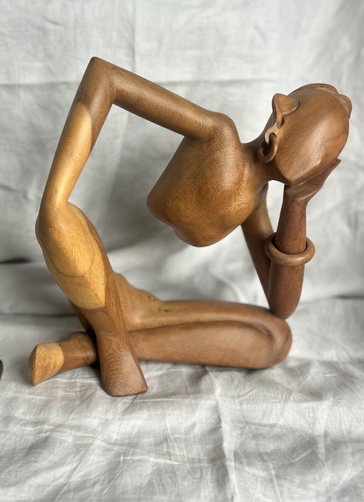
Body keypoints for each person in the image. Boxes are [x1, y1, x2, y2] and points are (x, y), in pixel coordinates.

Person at [31, 57, 351, 396]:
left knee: (276, 337)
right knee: (59, 224)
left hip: (137, 303)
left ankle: (89, 348)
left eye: (323, 159)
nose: (315, 163)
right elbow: (105, 76)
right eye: (315, 148)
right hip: (85, 255)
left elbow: (281, 307)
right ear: (279, 119)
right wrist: (55, 198)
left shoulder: (254, 201)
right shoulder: (219, 135)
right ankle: (110, 337)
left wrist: (296, 205)